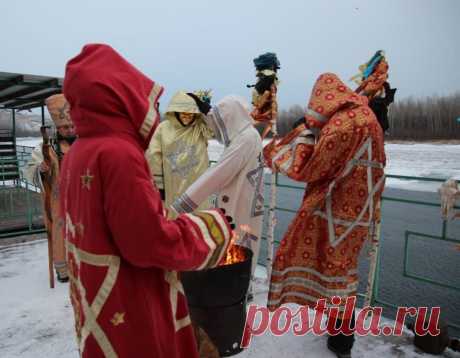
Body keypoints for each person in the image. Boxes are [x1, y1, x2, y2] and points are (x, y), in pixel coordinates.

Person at [60, 43, 232, 358]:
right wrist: (213, 228)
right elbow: (148, 241)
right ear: (122, 96)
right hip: (129, 301)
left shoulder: (78, 152)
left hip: (98, 299)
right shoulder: (118, 153)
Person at [264, 73, 387, 358]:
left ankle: (341, 341)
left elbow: (311, 169)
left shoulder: (343, 124)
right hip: (362, 211)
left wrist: (299, 139)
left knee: (329, 267)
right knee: (345, 271)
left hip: (335, 211)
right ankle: (340, 337)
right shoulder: (367, 116)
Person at [171, 94, 264, 280]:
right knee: (243, 248)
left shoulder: (245, 140)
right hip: (247, 200)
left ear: (231, 118)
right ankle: (241, 285)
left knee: (236, 248)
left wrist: (182, 204)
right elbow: (218, 127)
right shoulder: (248, 135)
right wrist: (207, 111)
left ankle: (235, 288)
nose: (220, 128)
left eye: (223, 120)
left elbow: (218, 174)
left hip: (239, 202)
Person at [24, 94, 76, 282]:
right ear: (57, 128)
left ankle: (83, 267)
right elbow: (30, 170)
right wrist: (41, 169)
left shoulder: (85, 145)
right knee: (60, 233)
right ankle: (64, 271)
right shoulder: (45, 148)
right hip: (57, 202)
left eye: (72, 126)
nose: (69, 130)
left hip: (81, 200)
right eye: (64, 127)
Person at [145, 90, 213, 217]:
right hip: (173, 186)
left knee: (199, 224)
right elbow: (154, 156)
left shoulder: (199, 127)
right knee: (175, 222)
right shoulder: (163, 128)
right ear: (175, 111)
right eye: (183, 113)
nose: (187, 117)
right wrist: (159, 188)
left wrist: (204, 107)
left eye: (190, 113)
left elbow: (216, 127)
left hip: (198, 187)